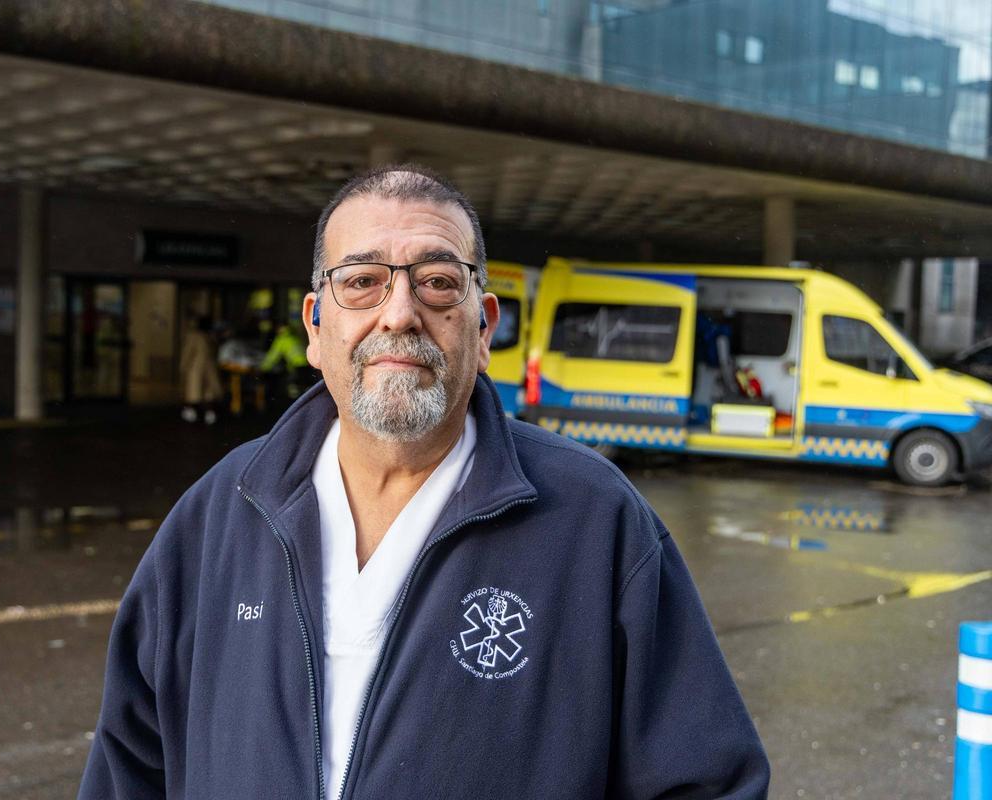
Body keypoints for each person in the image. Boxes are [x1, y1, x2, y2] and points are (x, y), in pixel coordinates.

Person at [80, 165, 770, 799]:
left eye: (438, 282)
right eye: (360, 282)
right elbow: (128, 769)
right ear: (316, 326)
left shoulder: (595, 521)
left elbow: (707, 784)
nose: (400, 313)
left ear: (484, 325)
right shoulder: (221, 512)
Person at [179, 315, 223, 424]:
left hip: (195, 367)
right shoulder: (211, 336)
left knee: (194, 392)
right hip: (210, 367)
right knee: (208, 393)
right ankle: (209, 415)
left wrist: (183, 366)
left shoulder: (193, 336)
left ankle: (192, 414)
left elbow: (188, 352)